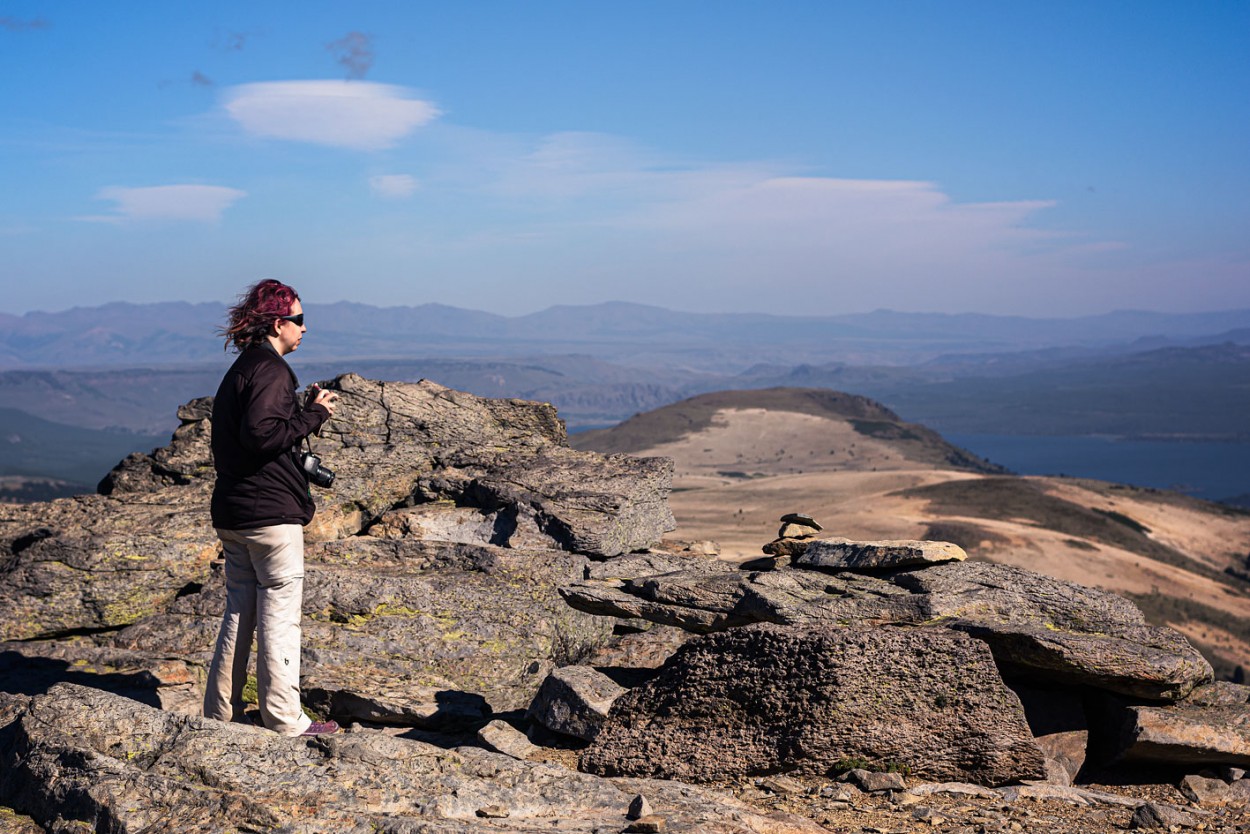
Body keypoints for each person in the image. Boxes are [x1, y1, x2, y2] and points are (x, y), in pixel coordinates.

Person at [203, 278, 341, 736]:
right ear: (278, 323)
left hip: (235, 511)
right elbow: (262, 434)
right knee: (280, 616)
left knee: (239, 613)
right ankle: (285, 719)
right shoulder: (272, 370)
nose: (304, 329)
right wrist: (315, 414)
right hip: (270, 517)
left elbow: (251, 433)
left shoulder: (241, 370)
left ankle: (220, 715)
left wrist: (295, 415)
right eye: (299, 321)